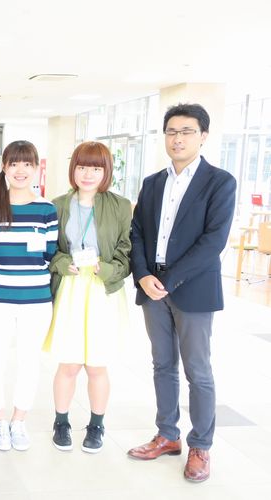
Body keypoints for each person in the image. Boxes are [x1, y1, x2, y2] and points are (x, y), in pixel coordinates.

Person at [127, 103, 236, 482]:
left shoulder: (219, 182)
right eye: (172, 131)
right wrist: (143, 275)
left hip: (192, 288)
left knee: (198, 371)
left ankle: (200, 446)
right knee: (162, 365)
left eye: (187, 131)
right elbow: (137, 232)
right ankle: (167, 435)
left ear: (203, 136)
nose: (178, 138)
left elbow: (213, 242)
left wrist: (169, 280)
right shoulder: (153, 182)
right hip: (152, 287)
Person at [44, 141, 132, 454]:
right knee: (68, 364)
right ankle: (61, 422)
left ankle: (96, 425)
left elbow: (127, 253)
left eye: (96, 168)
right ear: (74, 170)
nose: (88, 174)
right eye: (82, 167)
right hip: (70, 288)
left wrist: (104, 268)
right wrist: (61, 263)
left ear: (106, 171)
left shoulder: (121, 206)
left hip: (102, 290)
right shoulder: (57, 205)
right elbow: (48, 250)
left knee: (97, 365)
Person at [0, 140, 58, 451]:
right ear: (4, 167)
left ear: (36, 168)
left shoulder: (46, 210)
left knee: (29, 362)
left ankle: (18, 421)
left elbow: (50, 255)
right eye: (14, 163)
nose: (20, 170)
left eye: (27, 164)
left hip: (36, 301)